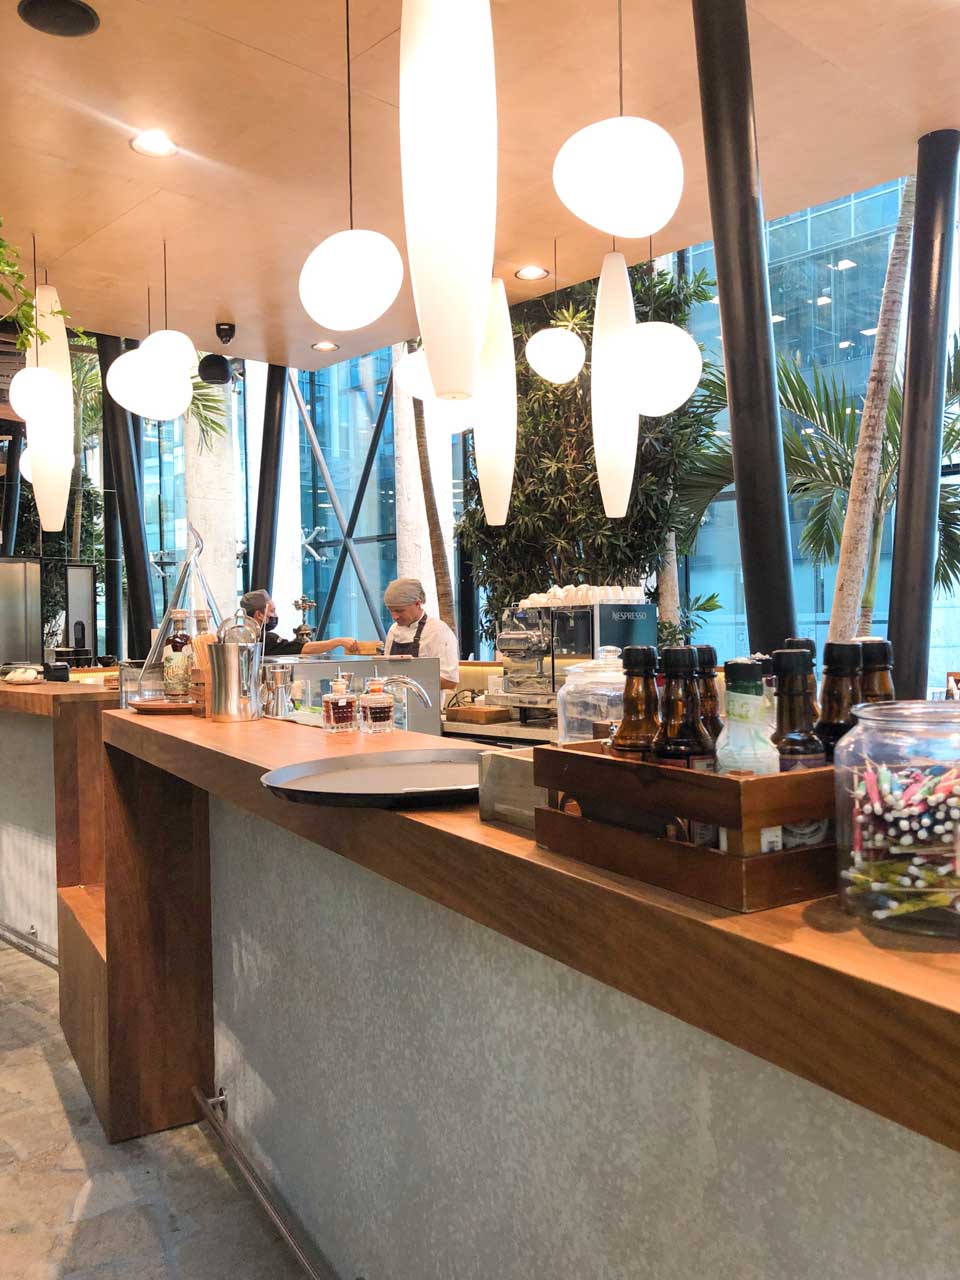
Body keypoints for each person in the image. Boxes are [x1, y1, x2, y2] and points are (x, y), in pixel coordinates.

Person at [383, 578, 459, 690]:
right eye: (391, 611)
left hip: (425, 700)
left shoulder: (438, 631)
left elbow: (450, 681)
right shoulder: (393, 630)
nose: (395, 617)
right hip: (393, 700)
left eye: (400, 611)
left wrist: (408, 683)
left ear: (417, 604)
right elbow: (386, 671)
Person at [240, 590, 358, 658]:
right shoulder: (265, 639)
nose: (275, 615)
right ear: (259, 615)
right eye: (272, 611)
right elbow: (303, 648)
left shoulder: (239, 636)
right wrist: (339, 642)